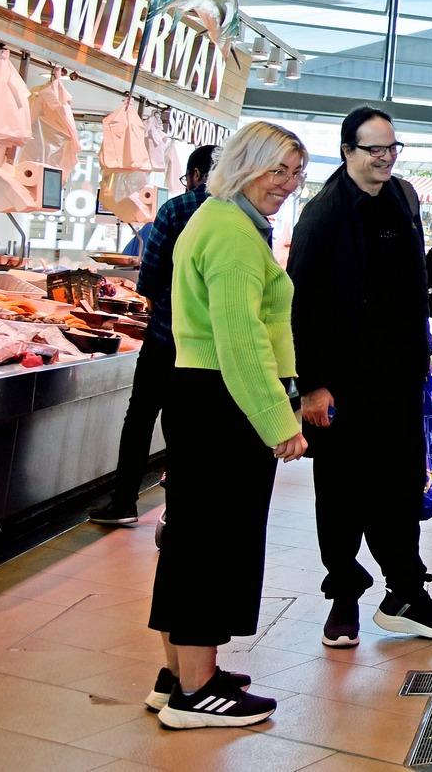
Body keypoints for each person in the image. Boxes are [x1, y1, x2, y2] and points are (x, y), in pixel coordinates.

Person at [144, 122, 307, 728]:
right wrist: (276, 421)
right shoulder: (235, 236)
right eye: (277, 170)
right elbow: (241, 342)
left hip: (200, 395)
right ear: (245, 164)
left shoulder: (216, 220)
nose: (287, 185)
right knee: (214, 543)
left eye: (295, 173)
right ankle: (197, 690)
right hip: (221, 402)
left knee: (190, 538)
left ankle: (179, 674)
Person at [289, 106, 432, 648]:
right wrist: (313, 384)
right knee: (341, 494)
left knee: (397, 489)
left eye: (393, 147)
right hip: (341, 385)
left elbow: (411, 289)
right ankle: (343, 598)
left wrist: (421, 364)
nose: (386, 157)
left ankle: (406, 594)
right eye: (375, 149)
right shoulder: (322, 215)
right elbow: (300, 305)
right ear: (348, 152)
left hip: (398, 379)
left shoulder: (405, 200)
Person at [91, 145, 216, 526]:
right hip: (210, 345)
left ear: (195, 174)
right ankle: (180, 510)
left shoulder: (177, 209)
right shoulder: (240, 212)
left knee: (142, 415)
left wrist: (158, 299)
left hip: (165, 334)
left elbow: (150, 274)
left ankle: (124, 502)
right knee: (188, 424)